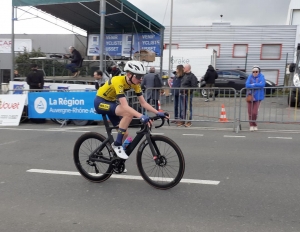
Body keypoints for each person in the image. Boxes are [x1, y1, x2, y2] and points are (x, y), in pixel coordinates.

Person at [94, 61, 168, 160]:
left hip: (111, 103)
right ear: (129, 74)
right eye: (138, 76)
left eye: (142, 76)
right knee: (128, 113)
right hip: (100, 102)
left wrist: (158, 112)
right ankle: (117, 145)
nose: (141, 79)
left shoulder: (135, 84)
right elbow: (125, 106)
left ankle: (115, 159)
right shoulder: (118, 81)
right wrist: (141, 116)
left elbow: (144, 103)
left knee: (125, 133)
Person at [245, 65, 265, 131]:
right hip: (250, 96)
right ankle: (251, 125)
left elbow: (262, 85)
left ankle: (254, 124)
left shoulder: (261, 76)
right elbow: (247, 85)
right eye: (253, 71)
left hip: (258, 97)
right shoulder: (250, 77)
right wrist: (256, 85)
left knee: (254, 112)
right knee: (250, 112)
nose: (255, 73)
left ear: (259, 72)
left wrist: (253, 85)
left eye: (256, 71)